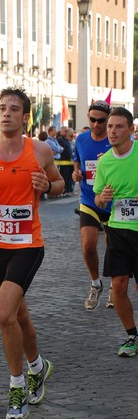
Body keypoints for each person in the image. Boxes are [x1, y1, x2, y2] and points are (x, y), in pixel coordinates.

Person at [0, 87, 64, 419]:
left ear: (24, 116)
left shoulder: (40, 150)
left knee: (3, 314)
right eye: (2, 108)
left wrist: (47, 187)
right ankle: (37, 366)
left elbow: (59, 184)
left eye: (13, 109)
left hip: (28, 245)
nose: (6, 113)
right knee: (19, 316)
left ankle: (16, 386)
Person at [94, 107, 138, 357]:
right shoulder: (105, 161)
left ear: (131, 130)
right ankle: (132, 335)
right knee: (119, 287)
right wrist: (103, 197)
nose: (112, 131)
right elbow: (99, 199)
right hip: (119, 229)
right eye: (110, 126)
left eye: (119, 126)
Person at [73, 100, 112, 310]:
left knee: (112, 248)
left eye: (102, 121)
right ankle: (96, 284)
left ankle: (116, 285)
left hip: (114, 202)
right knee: (88, 245)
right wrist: (76, 172)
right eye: (93, 119)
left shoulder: (117, 139)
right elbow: (77, 162)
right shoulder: (81, 139)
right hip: (89, 199)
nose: (97, 124)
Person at [57, 126, 74, 195]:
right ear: (61, 131)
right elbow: (60, 149)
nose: (66, 132)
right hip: (63, 161)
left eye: (67, 131)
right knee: (64, 176)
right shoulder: (60, 139)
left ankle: (67, 190)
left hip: (68, 161)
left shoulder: (66, 139)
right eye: (65, 131)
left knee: (68, 176)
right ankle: (63, 190)